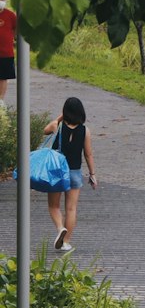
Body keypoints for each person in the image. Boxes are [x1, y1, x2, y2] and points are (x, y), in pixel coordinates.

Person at [44, 96, 97, 253]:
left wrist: (60, 117)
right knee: (71, 209)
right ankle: (66, 242)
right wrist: (92, 174)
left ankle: (61, 228)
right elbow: (88, 154)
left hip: (56, 171)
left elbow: (45, 130)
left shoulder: (57, 126)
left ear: (64, 111)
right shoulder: (85, 130)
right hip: (74, 172)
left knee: (53, 206)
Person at [0, 0, 16, 106]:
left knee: (3, 78)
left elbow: (17, 31)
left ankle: (1, 101)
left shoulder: (10, 15)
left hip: (6, 53)